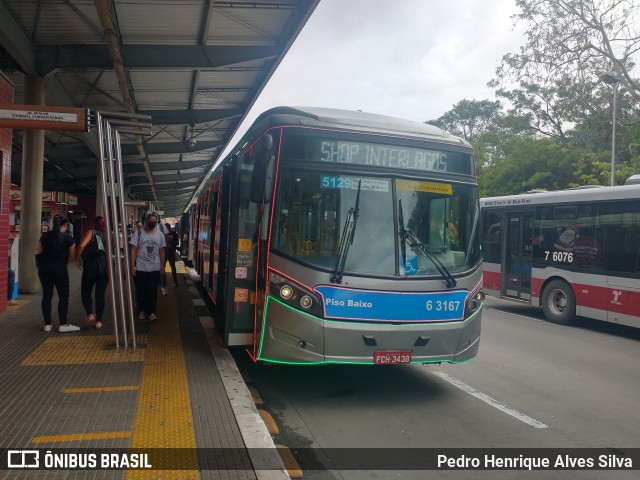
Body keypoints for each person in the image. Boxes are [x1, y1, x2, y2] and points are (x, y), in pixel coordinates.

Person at [36, 214, 79, 332]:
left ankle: (47, 324)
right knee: (63, 297)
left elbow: (39, 252)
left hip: (44, 270)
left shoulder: (44, 237)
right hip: (60, 270)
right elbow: (72, 256)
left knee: (47, 296)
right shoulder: (68, 239)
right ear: (65, 225)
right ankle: (63, 324)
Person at [130, 211, 165, 321]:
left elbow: (162, 251)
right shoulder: (138, 233)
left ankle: (152, 313)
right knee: (141, 291)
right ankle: (141, 311)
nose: (153, 223)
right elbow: (133, 250)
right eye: (151, 221)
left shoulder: (160, 235)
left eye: (155, 221)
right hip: (140, 268)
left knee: (152, 291)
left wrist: (162, 266)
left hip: (154, 268)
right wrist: (132, 266)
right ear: (145, 221)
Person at [76, 216, 109, 329]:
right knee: (100, 295)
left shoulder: (92, 232)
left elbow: (81, 246)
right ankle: (99, 321)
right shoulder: (111, 234)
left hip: (90, 268)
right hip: (105, 268)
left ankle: (90, 314)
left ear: (95, 224)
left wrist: (78, 259)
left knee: (85, 292)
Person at [163, 222, 179, 287]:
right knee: (163, 267)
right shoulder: (162, 234)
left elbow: (177, 243)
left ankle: (175, 281)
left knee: (172, 267)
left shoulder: (174, 234)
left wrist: (171, 243)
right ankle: (164, 282)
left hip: (170, 252)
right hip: (164, 253)